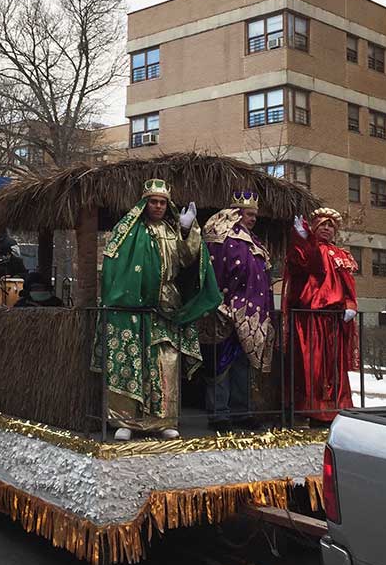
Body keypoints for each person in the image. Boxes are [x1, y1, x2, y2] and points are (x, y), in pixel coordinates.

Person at [93, 179, 222, 441]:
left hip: (167, 306)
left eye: (163, 202)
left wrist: (187, 231)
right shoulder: (128, 230)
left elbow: (187, 261)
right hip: (131, 309)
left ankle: (164, 421)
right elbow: (112, 266)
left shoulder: (171, 231)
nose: (158, 206)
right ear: (145, 202)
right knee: (129, 361)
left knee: (167, 364)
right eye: (154, 201)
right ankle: (125, 422)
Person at [201, 191, 275, 429]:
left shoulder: (254, 242)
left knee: (243, 362)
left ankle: (241, 411)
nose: (253, 219)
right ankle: (219, 413)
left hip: (251, 314)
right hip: (225, 311)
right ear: (236, 213)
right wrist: (219, 304)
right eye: (248, 214)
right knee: (221, 362)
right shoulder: (221, 237)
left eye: (255, 215)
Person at [283, 207, 359, 423]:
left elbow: (348, 285)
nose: (327, 229)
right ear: (314, 227)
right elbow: (307, 266)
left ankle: (337, 407)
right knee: (312, 366)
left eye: (330, 226)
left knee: (334, 367)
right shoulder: (305, 250)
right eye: (322, 224)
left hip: (334, 320)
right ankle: (311, 409)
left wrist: (351, 304)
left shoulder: (341, 254)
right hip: (310, 319)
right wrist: (303, 239)